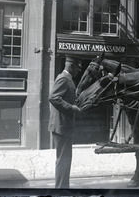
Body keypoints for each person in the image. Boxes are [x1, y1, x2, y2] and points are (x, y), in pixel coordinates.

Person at [48, 55, 83, 188]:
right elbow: (53, 97)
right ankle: (61, 190)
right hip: (61, 126)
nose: (79, 70)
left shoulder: (69, 79)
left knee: (65, 160)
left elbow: (63, 98)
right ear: (71, 65)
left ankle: (63, 188)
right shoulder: (63, 78)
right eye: (78, 67)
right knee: (63, 160)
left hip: (64, 126)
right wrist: (71, 107)